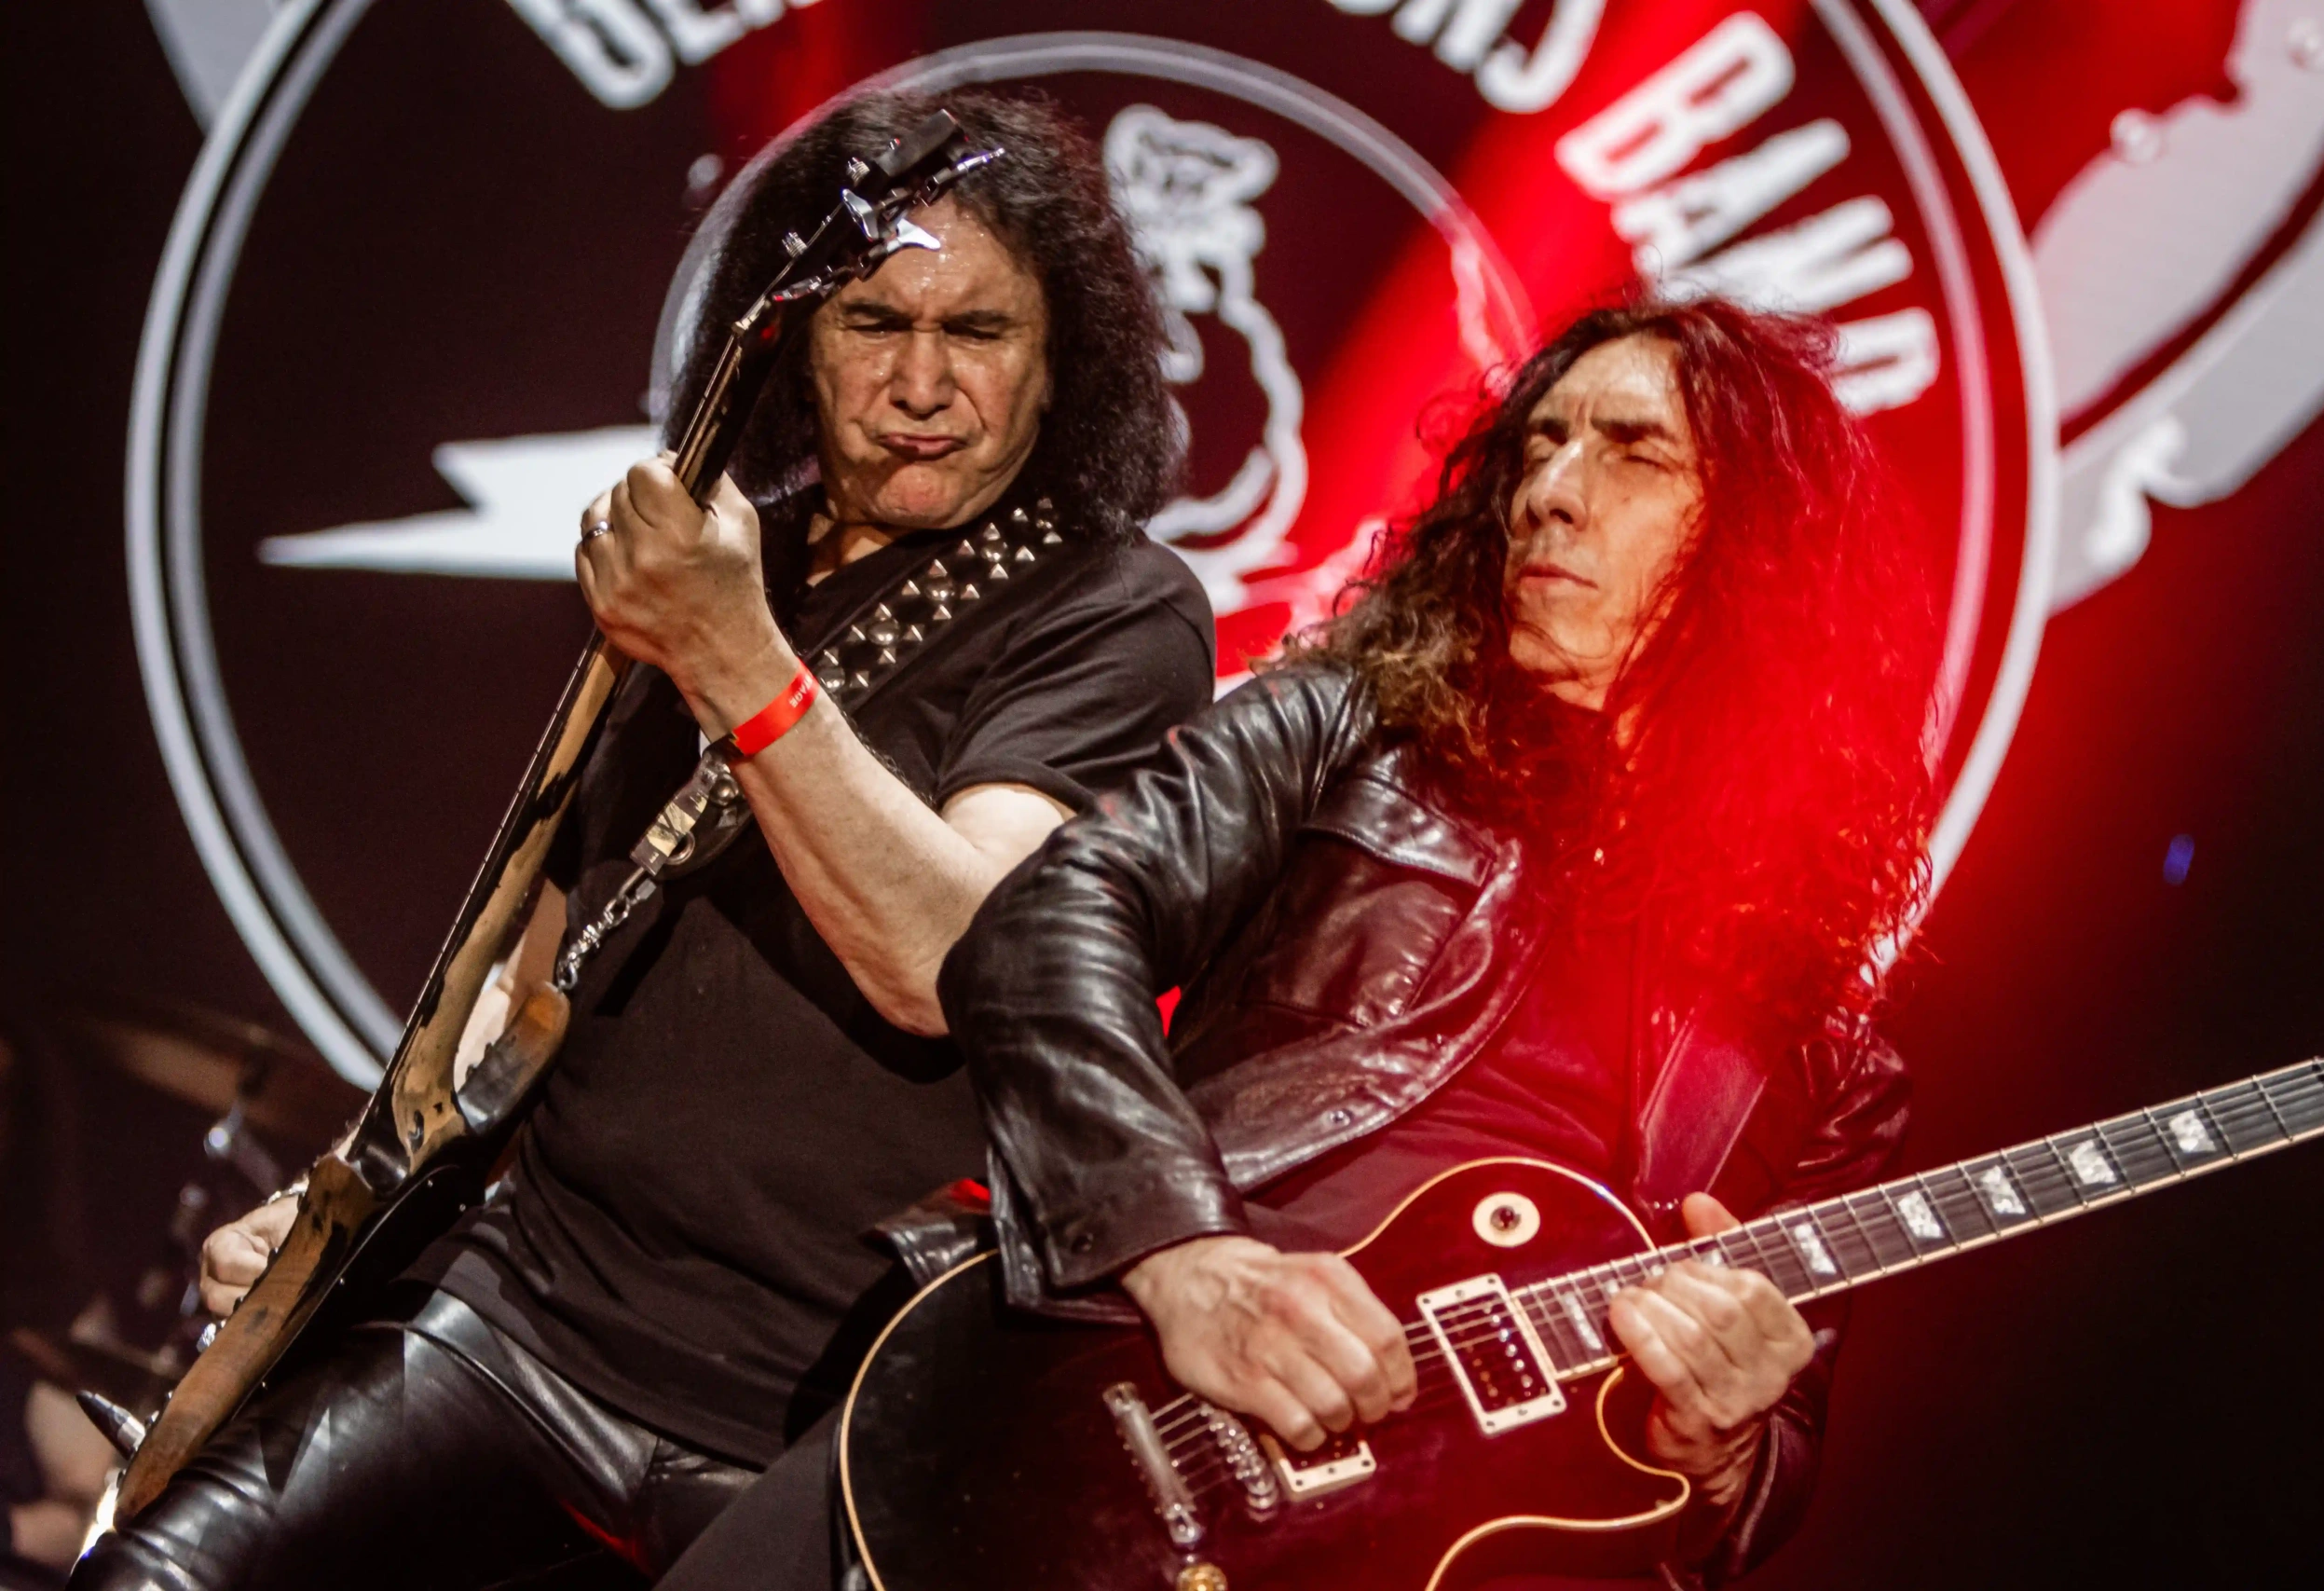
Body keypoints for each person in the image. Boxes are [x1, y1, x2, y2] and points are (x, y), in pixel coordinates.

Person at [73, 89, 1213, 1591]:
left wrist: (735, 656)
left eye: (981, 331)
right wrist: (344, 1200)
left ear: (1061, 361)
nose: (924, 381)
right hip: (518, 1314)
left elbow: (954, 959)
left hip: (811, 1416)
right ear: (794, 343)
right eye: (875, 322)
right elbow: (539, 970)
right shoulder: (719, 558)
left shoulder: (1117, 610)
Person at [876, 296, 1929, 1588]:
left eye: (1633, 453)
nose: (1549, 493)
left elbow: (1770, 1464)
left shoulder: (1821, 1058)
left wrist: (1722, 1443)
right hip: (1078, 1403)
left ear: (1761, 547)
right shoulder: (1351, 729)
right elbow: (1051, 916)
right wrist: (1185, 1257)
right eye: (1540, 446)